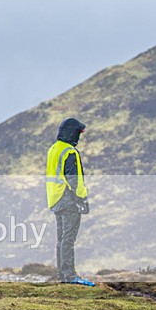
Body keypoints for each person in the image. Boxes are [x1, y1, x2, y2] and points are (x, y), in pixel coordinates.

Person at [45, 117, 95, 286]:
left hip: (55, 199)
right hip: (68, 200)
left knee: (61, 239)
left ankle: (63, 274)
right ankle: (70, 276)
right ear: (73, 133)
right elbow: (74, 180)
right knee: (68, 239)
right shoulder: (69, 152)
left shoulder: (54, 149)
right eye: (78, 133)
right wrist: (82, 198)